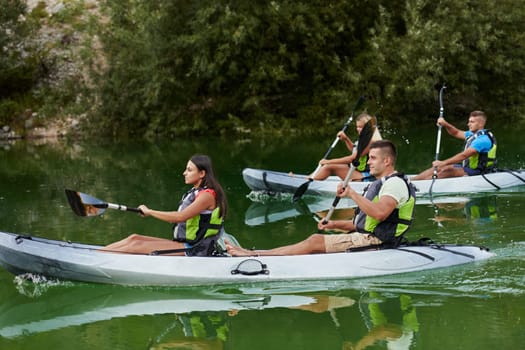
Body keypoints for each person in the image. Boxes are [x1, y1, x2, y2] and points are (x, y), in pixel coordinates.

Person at [226, 140, 416, 256]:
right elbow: (364, 222)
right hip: (370, 236)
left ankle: (254, 254)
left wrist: (352, 193)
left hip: (377, 242)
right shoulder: (382, 183)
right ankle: (259, 253)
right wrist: (334, 225)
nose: (369, 163)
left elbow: (381, 214)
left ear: (387, 161)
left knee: (314, 241)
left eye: (373, 158)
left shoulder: (394, 184)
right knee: (316, 240)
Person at [101, 154, 228, 256]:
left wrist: (149, 212)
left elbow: (180, 217)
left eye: (189, 170)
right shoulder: (197, 192)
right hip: (186, 244)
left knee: (136, 246)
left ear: (202, 174)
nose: (184, 173)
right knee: (134, 238)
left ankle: (98, 259)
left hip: (195, 249)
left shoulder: (208, 195)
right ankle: (98, 255)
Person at [412, 110, 497, 180]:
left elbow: (464, 155)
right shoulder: (472, 135)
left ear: (481, 124)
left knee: (448, 170)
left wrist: (444, 163)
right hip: (468, 168)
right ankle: (412, 181)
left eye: (472, 122)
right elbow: (456, 132)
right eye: (469, 121)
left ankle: (423, 185)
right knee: (438, 168)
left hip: (479, 171)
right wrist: (445, 124)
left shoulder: (483, 140)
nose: (468, 124)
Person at [311, 113, 383, 182]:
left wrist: (327, 161)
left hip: (368, 177)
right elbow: (354, 150)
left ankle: (310, 181)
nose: (358, 129)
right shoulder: (365, 137)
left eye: (361, 127)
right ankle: (311, 178)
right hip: (360, 173)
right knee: (331, 165)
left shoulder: (371, 140)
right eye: (357, 127)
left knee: (329, 166)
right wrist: (346, 139)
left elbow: (353, 158)